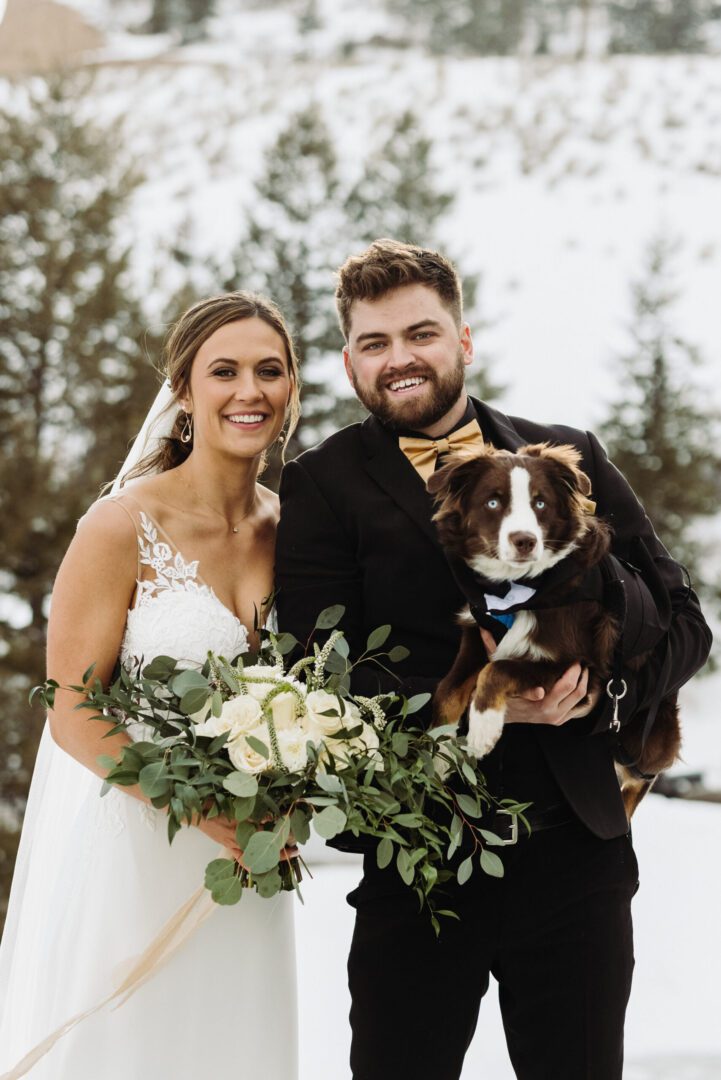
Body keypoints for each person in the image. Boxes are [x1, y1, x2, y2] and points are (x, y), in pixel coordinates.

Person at [275, 239, 712, 1080]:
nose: (399, 358)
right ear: (349, 361)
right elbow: (313, 668)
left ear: (462, 341)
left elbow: (687, 620)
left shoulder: (566, 453)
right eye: (374, 343)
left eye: (420, 333)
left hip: (575, 862)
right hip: (419, 868)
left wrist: (599, 695)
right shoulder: (323, 484)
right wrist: (486, 699)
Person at [0, 293, 301, 1078]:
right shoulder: (119, 526)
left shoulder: (298, 533)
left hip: (249, 869)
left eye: (269, 371)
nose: (249, 392)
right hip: (140, 852)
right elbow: (70, 710)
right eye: (224, 371)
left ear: (292, 390)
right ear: (184, 391)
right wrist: (203, 812)